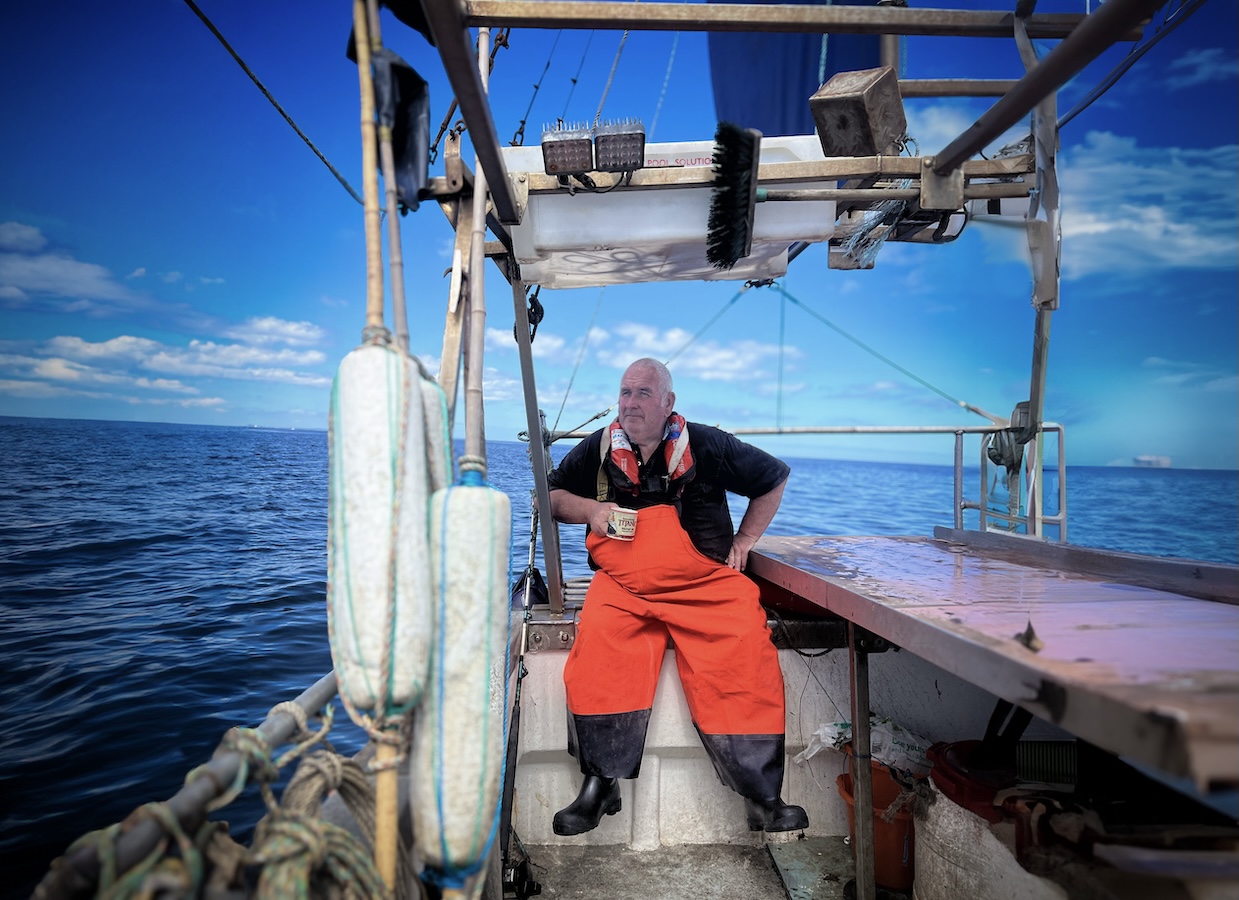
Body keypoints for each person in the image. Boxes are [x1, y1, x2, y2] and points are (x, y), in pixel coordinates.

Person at [546, 357, 807, 835]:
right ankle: (600, 784)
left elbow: (773, 478)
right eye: (625, 393)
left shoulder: (708, 444)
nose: (630, 403)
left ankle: (762, 795)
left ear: (669, 403)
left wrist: (745, 541)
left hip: (705, 584)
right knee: (597, 652)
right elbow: (550, 496)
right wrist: (593, 510)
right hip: (622, 585)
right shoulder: (600, 448)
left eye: (643, 393)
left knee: (746, 650)